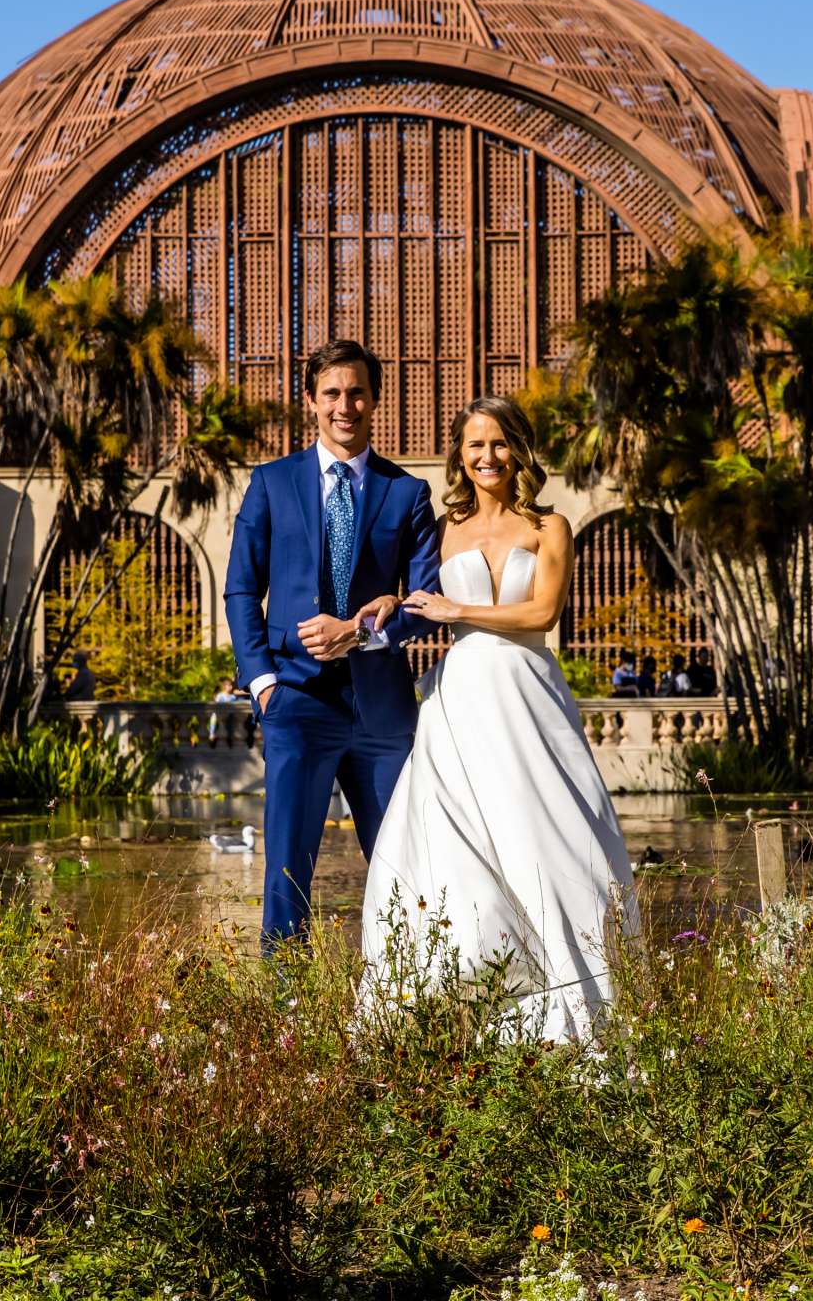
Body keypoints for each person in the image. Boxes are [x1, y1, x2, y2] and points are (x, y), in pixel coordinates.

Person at [363, 395, 640, 1042]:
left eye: (498, 443)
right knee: (453, 849)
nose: (487, 457)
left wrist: (454, 607)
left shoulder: (551, 528)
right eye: (474, 445)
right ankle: (469, 1003)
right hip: (459, 700)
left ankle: (581, 1000)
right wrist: (395, 602)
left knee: (552, 839)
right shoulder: (444, 528)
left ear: (518, 449)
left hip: (526, 694)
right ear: (460, 455)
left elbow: (541, 614)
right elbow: (419, 604)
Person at [224, 338, 443, 948]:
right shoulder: (272, 484)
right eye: (332, 394)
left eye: (357, 393)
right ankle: (287, 1011)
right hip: (295, 705)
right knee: (287, 874)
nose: (345, 406)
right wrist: (263, 683)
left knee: (404, 870)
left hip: (382, 715)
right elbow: (241, 589)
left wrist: (360, 632)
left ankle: (410, 1000)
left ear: (375, 401)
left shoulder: (408, 493)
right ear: (311, 403)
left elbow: (425, 602)